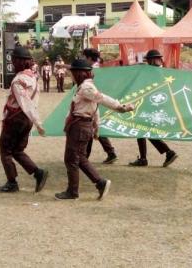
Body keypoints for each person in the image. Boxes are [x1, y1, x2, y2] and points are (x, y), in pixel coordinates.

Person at [55, 59, 134, 200]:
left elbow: (102, 99)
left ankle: (73, 192)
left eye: (72, 73)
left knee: (71, 159)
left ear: (79, 74)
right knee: (80, 158)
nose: (71, 75)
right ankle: (100, 183)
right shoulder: (84, 86)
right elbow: (95, 108)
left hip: (79, 127)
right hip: (82, 126)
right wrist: (96, 127)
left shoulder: (86, 88)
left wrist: (120, 107)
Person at [0, 46, 49, 193]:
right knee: (17, 150)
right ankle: (38, 173)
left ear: (19, 62)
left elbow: (25, 103)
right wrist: (35, 121)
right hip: (27, 120)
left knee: (5, 149)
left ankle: (12, 182)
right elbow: (33, 103)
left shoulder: (18, 80)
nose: (12, 63)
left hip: (16, 118)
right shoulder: (33, 78)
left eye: (13, 60)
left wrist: (39, 123)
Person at [128, 49, 178, 167]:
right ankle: (148, 157)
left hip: (151, 106)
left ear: (151, 60)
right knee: (143, 131)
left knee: (142, 130)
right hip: (154, 105)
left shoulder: (154, 72)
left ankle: (165, 153)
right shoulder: (160, 71)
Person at [82, 48, 118, 164]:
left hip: (95, 98)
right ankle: (110, 152)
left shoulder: (94, 69)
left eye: (84, 57)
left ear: (88, 58)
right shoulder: (95, 67)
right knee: (95, 126)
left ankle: (84, 157)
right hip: (95, 98)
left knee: (92, 126)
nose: (82, 59)